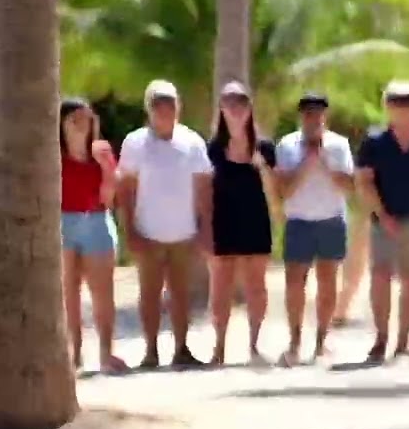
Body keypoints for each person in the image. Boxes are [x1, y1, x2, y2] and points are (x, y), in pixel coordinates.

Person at [116, 79, 213, 369]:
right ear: (149, 109)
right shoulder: (134, 143)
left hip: (184, 232)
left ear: (178, 107)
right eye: (158, 104)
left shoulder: (192, 142)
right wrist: (130, 230)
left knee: (182, 294)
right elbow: (126, 190)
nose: (165, 110)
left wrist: (205, 228)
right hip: (148, 232)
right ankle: (150, 351)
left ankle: (182, 349)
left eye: (169, 104)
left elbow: (203, 187)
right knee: (149, 294)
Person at [355, 81, 409, 362]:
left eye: (407, 101)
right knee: (380, 277)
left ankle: (403, 341)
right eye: (395, 101)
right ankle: (381, 338)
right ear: (386, 105)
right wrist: (382, 214)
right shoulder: (374, 141)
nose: (402, 106)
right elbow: (364, 182)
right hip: (384, 221)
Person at [274, 92, 356, 366]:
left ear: (325, 116)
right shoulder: (287, 145)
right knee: (295, 284)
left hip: (331, 219)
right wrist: (307, 163)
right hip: (299, 221)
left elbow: (349, 186)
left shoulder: (339, 145)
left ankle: (322, 342)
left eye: (318, 113)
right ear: (302, 116)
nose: (314, 118)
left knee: (328, 282)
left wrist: (324, 161)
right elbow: (283, 190)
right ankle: (295, 342)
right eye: (308, 113)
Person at [206, 82, 277, 366]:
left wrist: (263, 169)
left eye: (242, 103)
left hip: (255, 220)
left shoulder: (265, 147)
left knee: (256, 286)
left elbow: (276, 194)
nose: (236, 110)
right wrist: (204, 229)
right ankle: (219, 348)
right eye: (229, 104)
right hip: (222, 221)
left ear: (250, 109)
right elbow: (203, 191)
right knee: (221, 286)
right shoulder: (212, 148)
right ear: (221, 109)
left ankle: (254, 345)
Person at [59, 98, 128, 374]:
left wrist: (107, 169)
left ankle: (106, 354)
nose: (81, 123)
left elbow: (108, 199)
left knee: (102, 293)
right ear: (61, 123)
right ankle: (74, 354)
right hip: (62, 221)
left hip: (96, 220)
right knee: (68, 292)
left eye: (86, 117)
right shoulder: (52, 155)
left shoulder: (101, 151)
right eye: (73, 118)